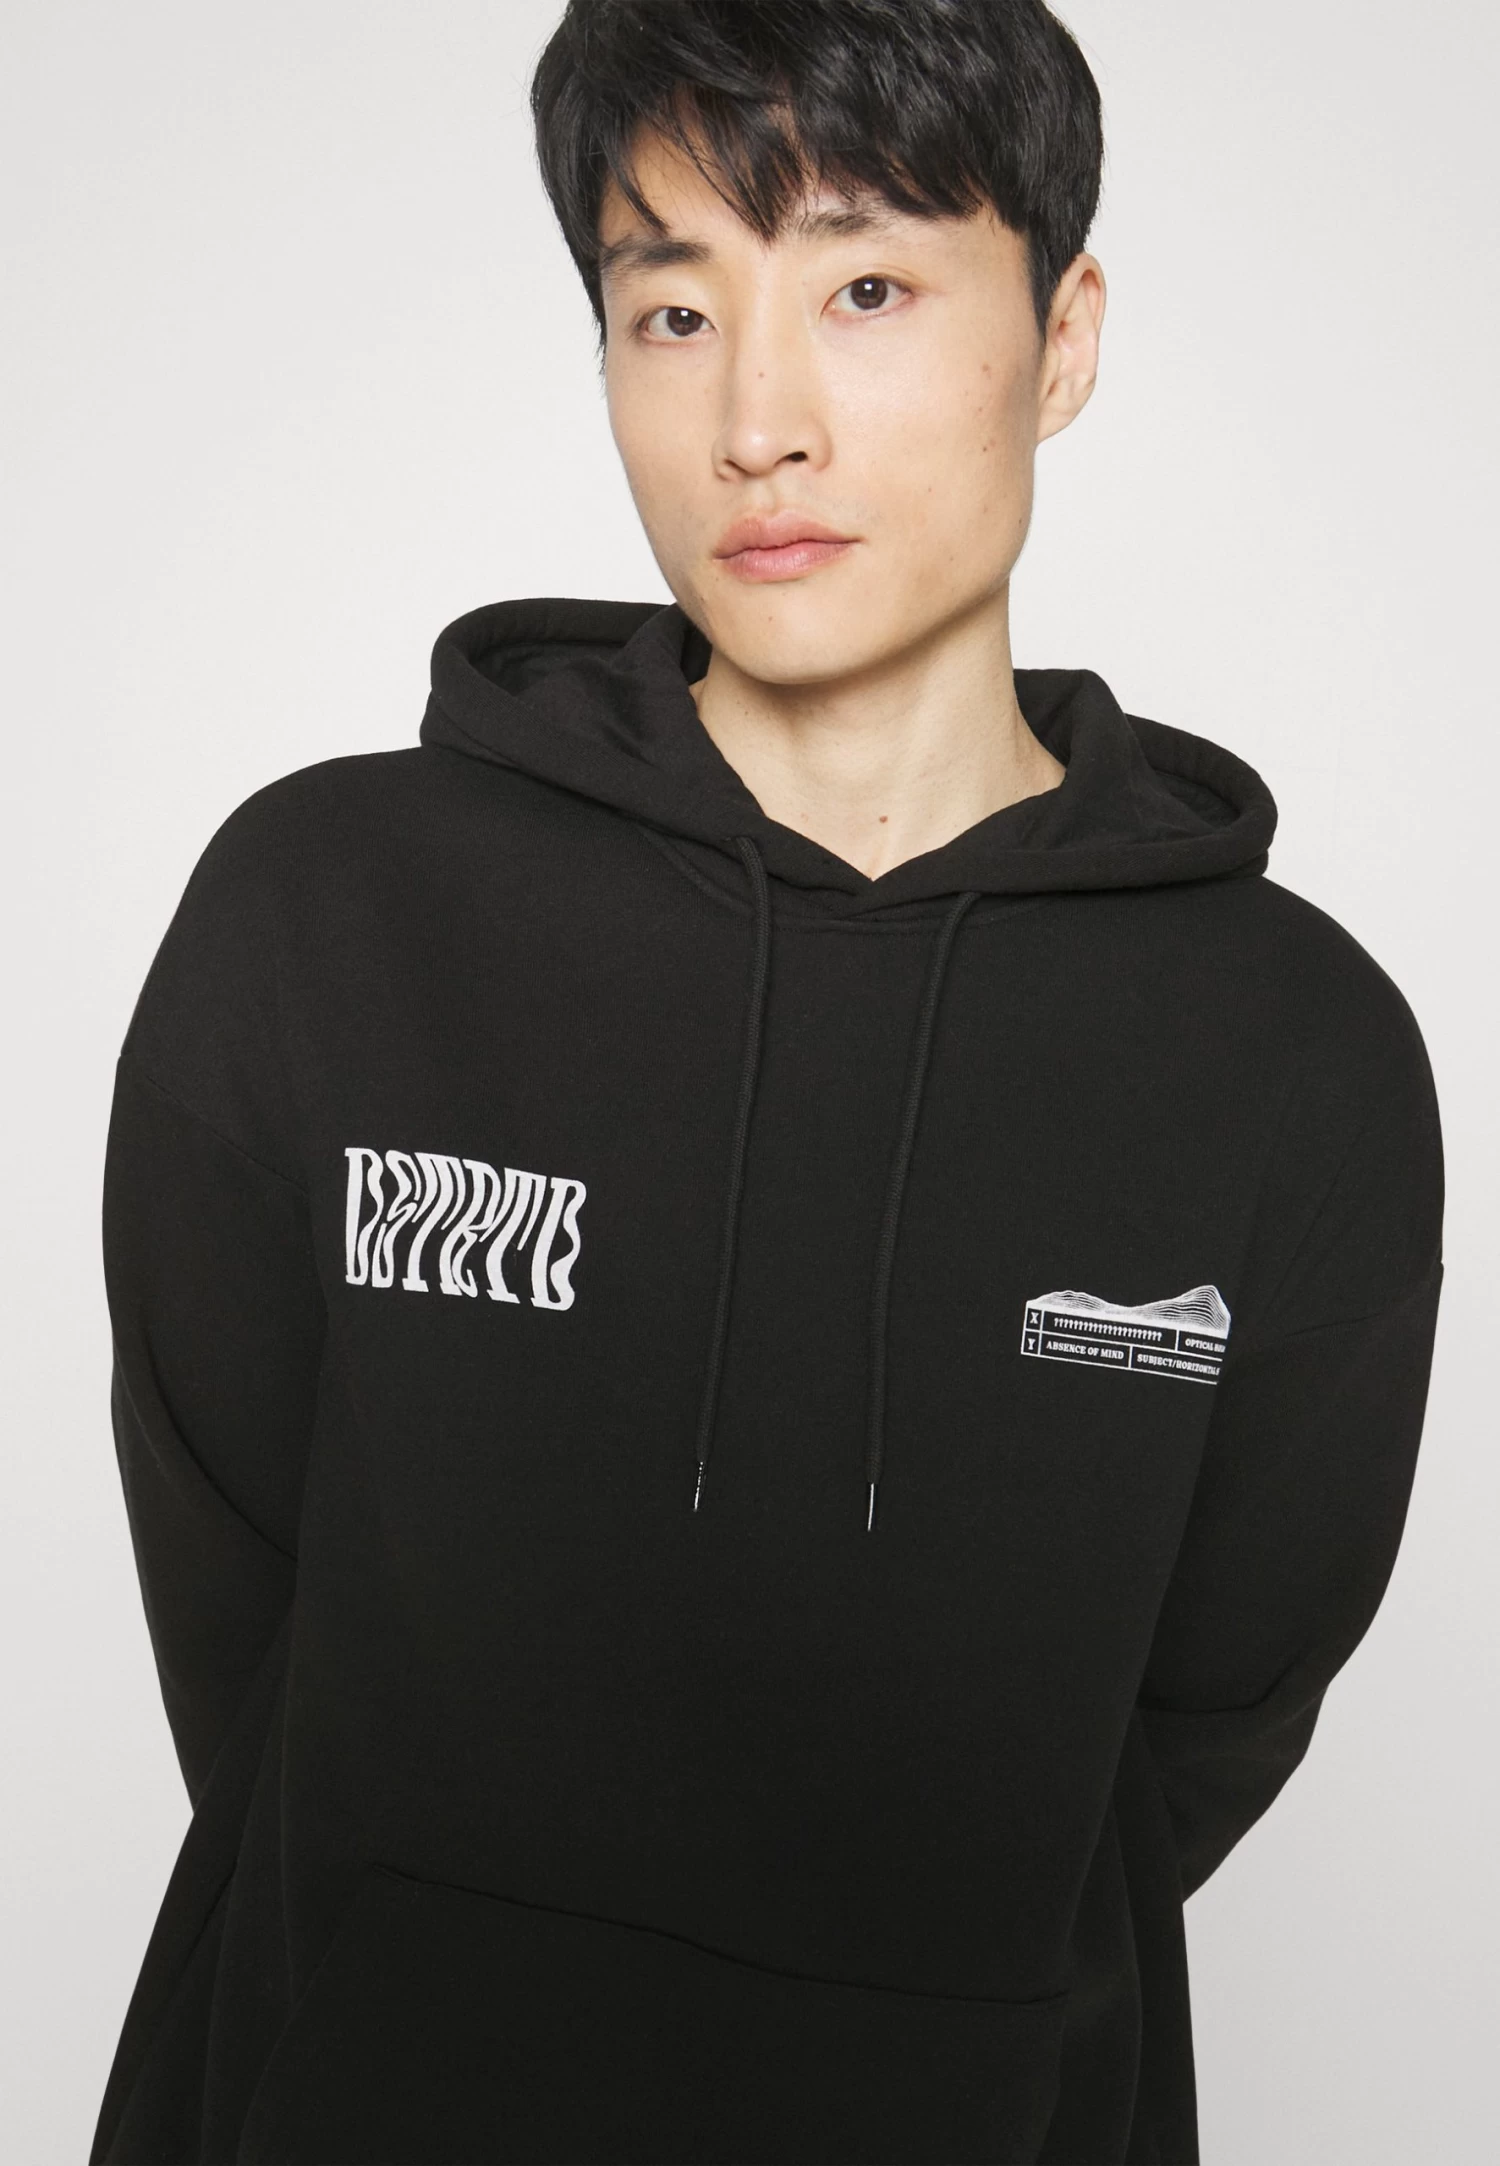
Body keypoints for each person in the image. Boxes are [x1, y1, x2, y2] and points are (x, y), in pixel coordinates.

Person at [89, 3, 1444, 2161]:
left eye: (868, 289)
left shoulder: (1298, 1052)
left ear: (1064, 340)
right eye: (672, 308)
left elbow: (1198, 1724)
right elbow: (249, 1616)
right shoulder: (329, 909)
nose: (757, 422)